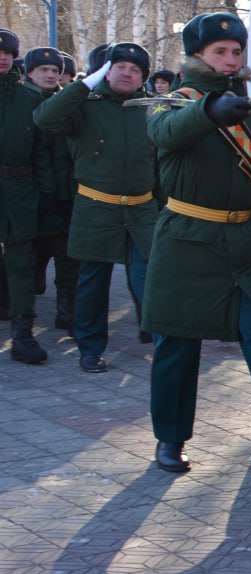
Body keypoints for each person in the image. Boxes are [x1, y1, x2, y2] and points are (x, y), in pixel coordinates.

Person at [139, 12, 251, 475]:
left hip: (247, 243)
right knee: (177, 344)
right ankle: (170, 438)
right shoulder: (170, 104)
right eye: (220, 53)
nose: (231, 60)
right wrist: (207, 112)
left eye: (237, 52)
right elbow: (164, 134)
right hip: (187, 242)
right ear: (196, 56)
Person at [34, 42, 159, 373]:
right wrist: (84, 83)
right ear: (106, 70)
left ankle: (163, 341)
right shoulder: (85, 104)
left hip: (143, 209)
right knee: (93, 283)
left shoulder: (150, 107)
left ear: (142, 77)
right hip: (96, 207)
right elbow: (45, 119)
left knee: (150, 278)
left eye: (135, 70)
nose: (127, 73)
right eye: (120, 66)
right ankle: (90, 348)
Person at [1, 31, 54, 364]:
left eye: (9, 53)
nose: (3, 57)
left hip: (20, 190)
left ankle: (23, 332)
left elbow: (43, 154)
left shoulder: (28, 99)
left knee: (22, 263)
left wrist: (45, 197)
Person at [24, 48, 78, 332]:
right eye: (43, 69)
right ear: (30, 72)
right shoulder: (21, 101)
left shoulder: (67, 103)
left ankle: (66, 309)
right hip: (30, 192)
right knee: (33, 251)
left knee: (68, 255)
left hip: (66, 191)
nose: (50, 75)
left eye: (55, 71)